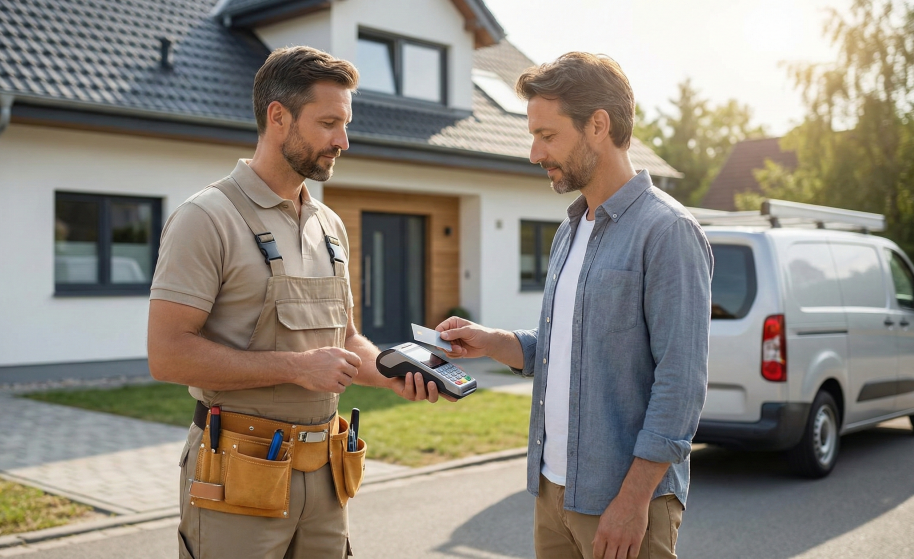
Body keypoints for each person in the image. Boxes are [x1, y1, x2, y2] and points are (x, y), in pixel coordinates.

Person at [147, 46, 446, 559]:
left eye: (345, 124)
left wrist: (396, 373)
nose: (342, 141)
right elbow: (167, 354)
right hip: (238, 474)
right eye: (328, 122)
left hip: (327, 475)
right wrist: (297, 368)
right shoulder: (207, 218)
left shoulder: (328, 225)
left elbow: (346, 339)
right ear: (278, 116)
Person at [437, 53, 712, 559]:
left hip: (624, 503)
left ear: (598, 126)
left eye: (547, 135)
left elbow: (681, 384)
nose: (533, 152)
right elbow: (565, 348)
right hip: (552, 493)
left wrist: (633, 502)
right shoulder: (569, 230)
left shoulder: (667, 231)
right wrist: (491, 341)